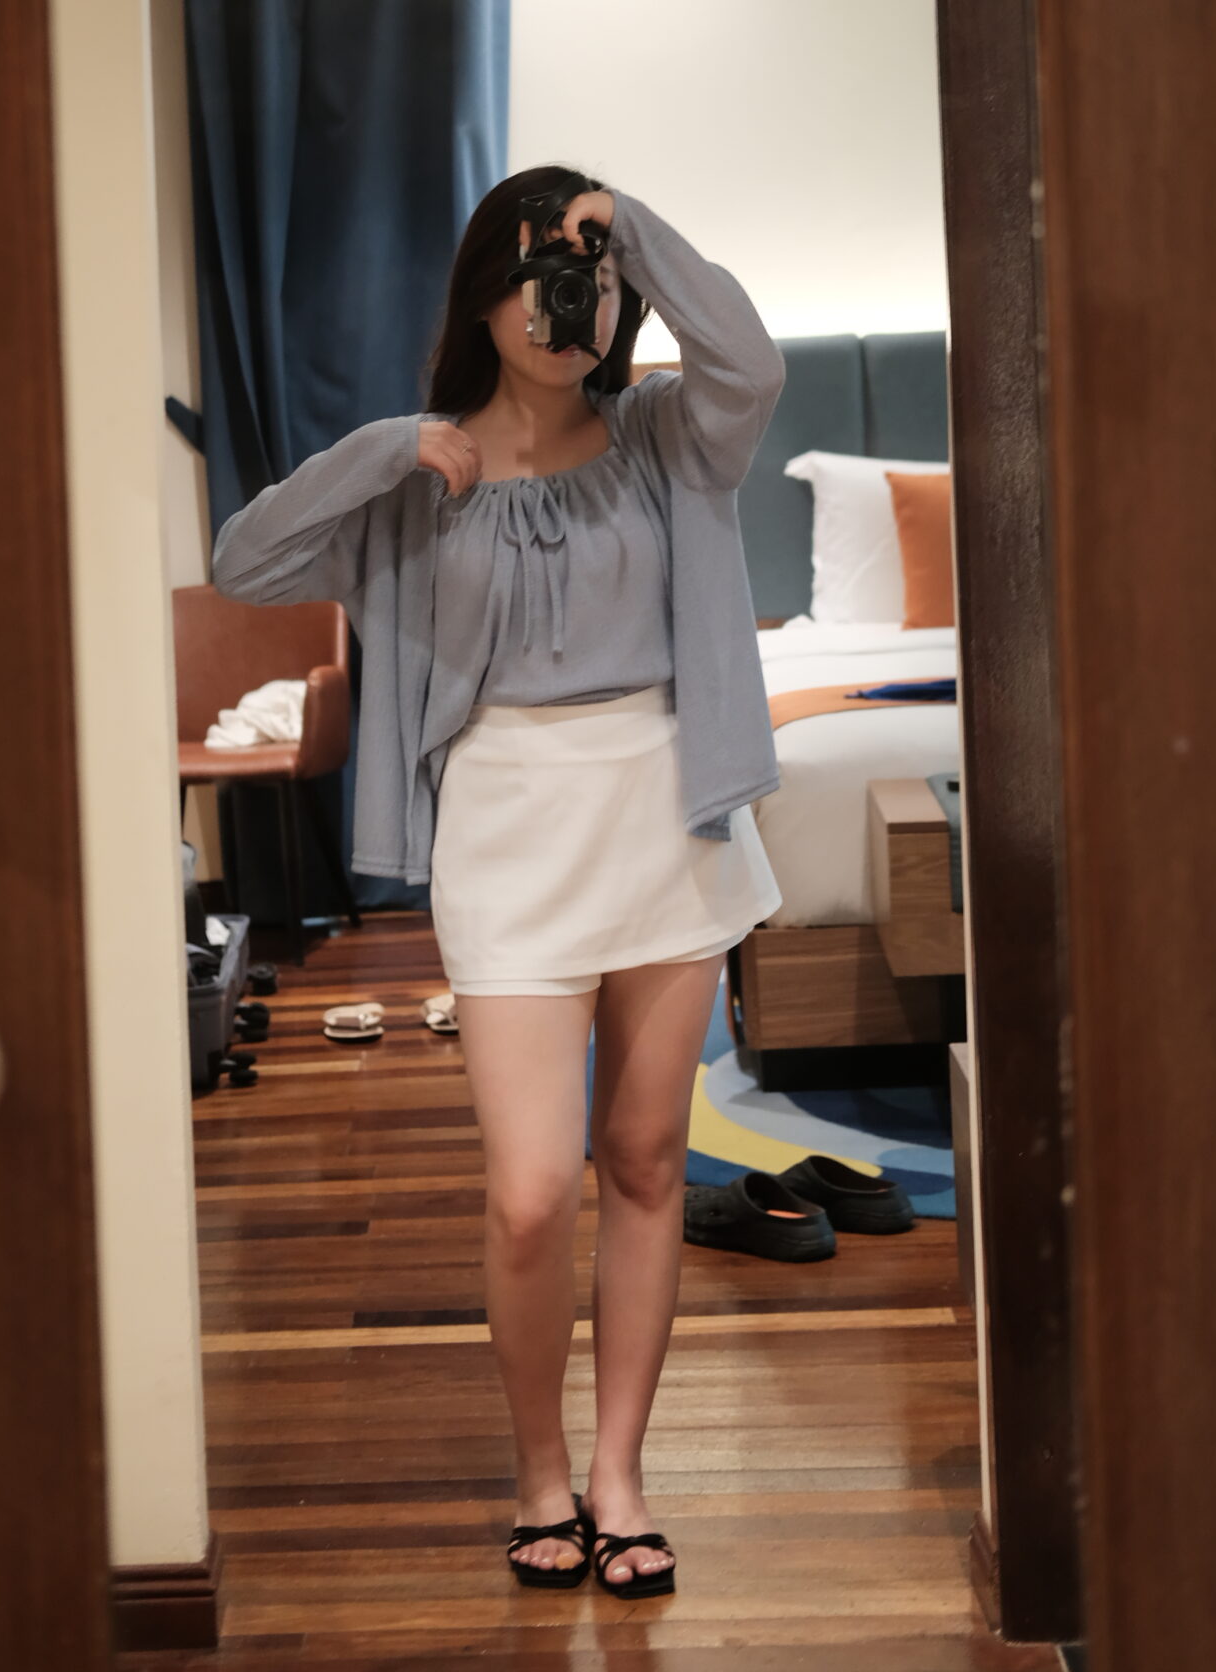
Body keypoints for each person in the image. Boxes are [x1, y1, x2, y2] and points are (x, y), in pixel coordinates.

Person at [212, 169, 786, 1595]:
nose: (559, 302)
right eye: (533, 271)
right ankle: (538, 1469)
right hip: (507, 835)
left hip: (666, 817)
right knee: (531, 1191)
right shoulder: (422, 473)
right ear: (479, 291)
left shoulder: (665, 434)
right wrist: (381, 452)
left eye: (585, 277)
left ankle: (617, 1476)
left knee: (644, 1161)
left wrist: (624, 220)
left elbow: (751, 362)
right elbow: (242, 562)